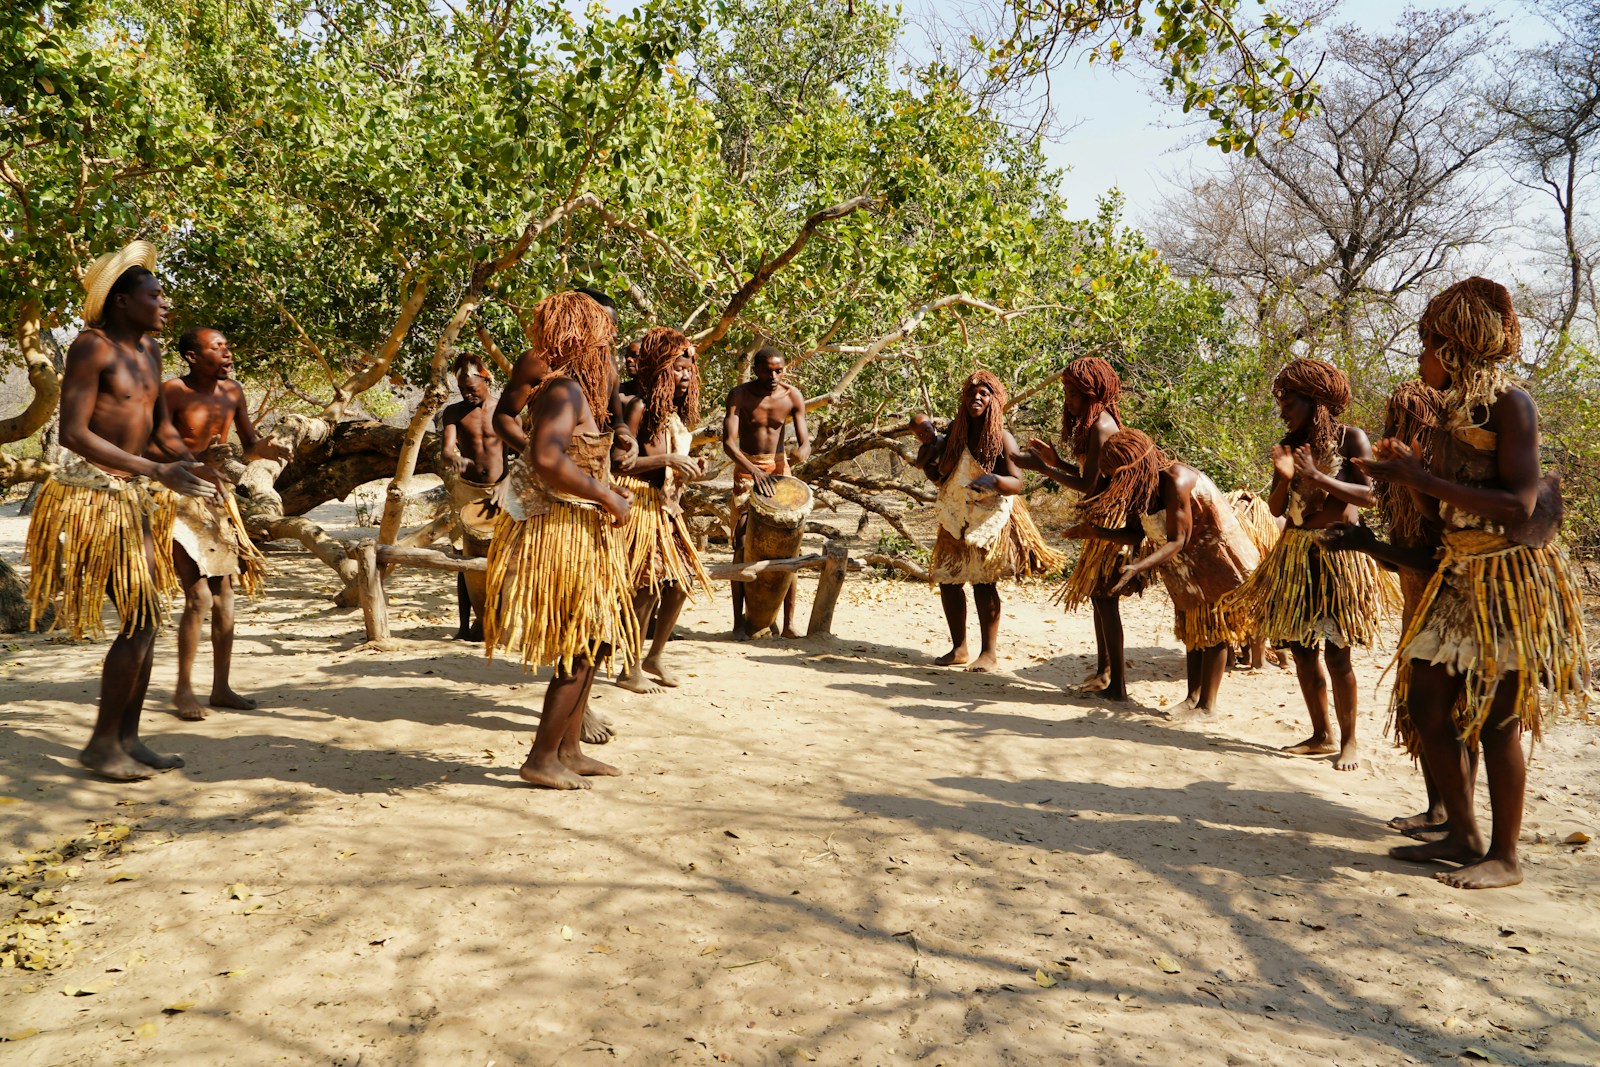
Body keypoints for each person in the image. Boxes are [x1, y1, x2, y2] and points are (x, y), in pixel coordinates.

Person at [1355, 277, 1588, 889]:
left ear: (1454, 346)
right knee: (1427, 702)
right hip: (1458, 576)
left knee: (1498, 721)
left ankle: (1505, 859)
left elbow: (1517, 504)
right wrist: (1402, 477)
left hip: (1507, 578)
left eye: (1427, 343)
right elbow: (1445, 512)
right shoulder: (1452, 415)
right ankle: (1462, 831)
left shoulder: (1511, 405)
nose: (1421, 357)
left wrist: (1422, 479)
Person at [25, 242, 225, 780]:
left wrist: (190, 463)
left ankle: (127, 738)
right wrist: (154, 469)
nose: (165, 305)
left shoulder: (151, 352)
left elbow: (158, 430)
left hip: (134, 494)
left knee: (147, 620)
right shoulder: (91, 348)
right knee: (140, 618)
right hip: (94, 495)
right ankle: (99, 745)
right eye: (154, 296)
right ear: (120, 302)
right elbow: (74, 432)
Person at [483, 290, 638, 789]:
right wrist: (608, 498)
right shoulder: (563, 389)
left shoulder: (574, 387)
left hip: (578, 523)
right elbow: (549, 461)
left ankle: (568, 750)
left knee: (596, 639)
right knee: (583, 639)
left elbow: (571, 456)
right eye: (603, 331)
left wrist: (600, 485)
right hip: (562, 528)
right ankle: (541, 757)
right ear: (584, 333)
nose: (610, 341)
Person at [1225, 357, 1390, 771]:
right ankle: (1320, 735)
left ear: (1315, 401)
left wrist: (1317, 477)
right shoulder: (1291, 443)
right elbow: (1276, 508)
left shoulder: (1352, 438)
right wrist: (1284, 476)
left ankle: (1348, 741)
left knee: (1338, 653)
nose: (1283, 411)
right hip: (1296, 553)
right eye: (1281, 404)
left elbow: (1368, 497)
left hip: (1338, 555)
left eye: (1289, 403)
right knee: (1301, 650)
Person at [1059, 429, 1259, 715]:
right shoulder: (1138, 487)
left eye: (1116, 475)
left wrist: (1139, 567)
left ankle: (1206, 706)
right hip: (1185, 563)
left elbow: (1178, 539)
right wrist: (1094, 531)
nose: (1115, 482)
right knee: (1194, 628)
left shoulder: (1175, 481)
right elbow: (1133, 533)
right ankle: (1192, 698)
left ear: (1135, 468)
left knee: (1214, 629)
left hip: (1217, 557)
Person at [159, 327, 284, 720]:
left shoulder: (233, 392)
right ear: (193, 357)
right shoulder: (173, 391)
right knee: (197, 597)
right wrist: (197, 458)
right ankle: (183, 691)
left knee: (225, 597)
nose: (227, 353)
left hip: (216, 500)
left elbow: (248, 445)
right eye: (218, 347)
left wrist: (268, 448)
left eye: (228, 346)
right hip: (178, 497)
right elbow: (150, 444)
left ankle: (221, 687)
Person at [923, 370, 1066, 672]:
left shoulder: (1002, 438)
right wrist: (931, 468)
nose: (976, 397)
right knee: (949, 581)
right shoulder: (955, 432)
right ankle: (959, 647)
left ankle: (988, 653)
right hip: (956, 512)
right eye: (972, 392)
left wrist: (994, 480)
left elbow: (1017, 482)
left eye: (984, 393)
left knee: (983, 582)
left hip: (988, 516)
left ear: (994, 401)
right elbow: (940, 472)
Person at [1024, 357, 1136, 697]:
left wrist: (1044, 470)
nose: (1068, 400)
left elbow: (1090, 485)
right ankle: (1104, 674)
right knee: (1099, 598)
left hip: (1110, 521)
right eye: (1067, 393)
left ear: (1093, 393)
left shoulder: (1102, 427)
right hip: (1101, 518)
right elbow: (1089, 475)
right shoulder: (1096, 425)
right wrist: (1054, 462)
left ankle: (1117, 685)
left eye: (1074, 393)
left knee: (1105, 599)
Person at [613, 327, 712, 693]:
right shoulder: (637, 406)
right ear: (660, 369)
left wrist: (689, 464)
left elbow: (665, 458)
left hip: (666, 506)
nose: (686, 376)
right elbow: (620, 464)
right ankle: (630, 667)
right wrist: (670, 458)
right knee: (646, 588)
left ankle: (654, 656)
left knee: (681, 582)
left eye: (690, 369)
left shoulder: (669, 412)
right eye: (678, 369)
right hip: (640, 504)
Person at [722, 346, 811, 639]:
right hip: (748, 471)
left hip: (780, 470)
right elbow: (729, 444)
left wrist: (801, 452)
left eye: (779, 370)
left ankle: (788, 624)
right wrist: (755, 470)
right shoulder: (739, 396)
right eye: (768, 370)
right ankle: (737, 624)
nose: (774, 376)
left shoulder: (792, 396)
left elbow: (805, 441)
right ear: (756, 369)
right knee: (741, 542)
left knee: (789, 545)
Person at [441, 352, 507, 641]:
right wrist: (452, 459)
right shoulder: (453, 413)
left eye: (471, 388)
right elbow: (446, 449)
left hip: (502, 491)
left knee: (504, 556)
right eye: (462, 390)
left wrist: (513, 482)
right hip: (468, 491)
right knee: (465, 558)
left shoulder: (504, 409)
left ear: (486, 379)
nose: (467, 394)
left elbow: (523, 447)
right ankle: (467, 626)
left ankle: (499, 620)